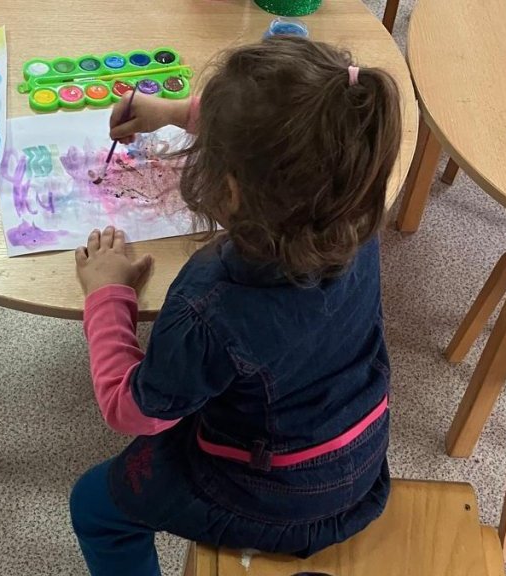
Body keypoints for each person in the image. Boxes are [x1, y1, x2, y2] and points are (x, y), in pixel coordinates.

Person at [70, 36, 402, 576]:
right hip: (359, 461)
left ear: (228, 188)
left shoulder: (209, 306)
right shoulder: (352, 215)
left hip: (273, 499)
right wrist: (175, 113)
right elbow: (293, 142)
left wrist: (108, 295)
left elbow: (128, 411)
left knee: (94, 505)